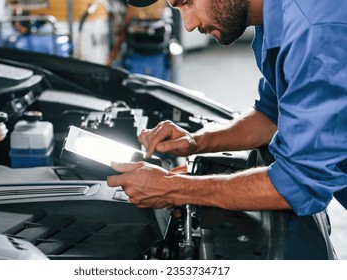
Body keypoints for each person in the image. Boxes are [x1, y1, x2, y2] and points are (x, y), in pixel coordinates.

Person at [107, 0, 347, 258]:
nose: (188, 25)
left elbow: (298, 183)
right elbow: (271, 114)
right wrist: (195, 140)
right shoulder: (276, 18)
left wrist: (172, 187)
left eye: (187, 2)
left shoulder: (312, 29)